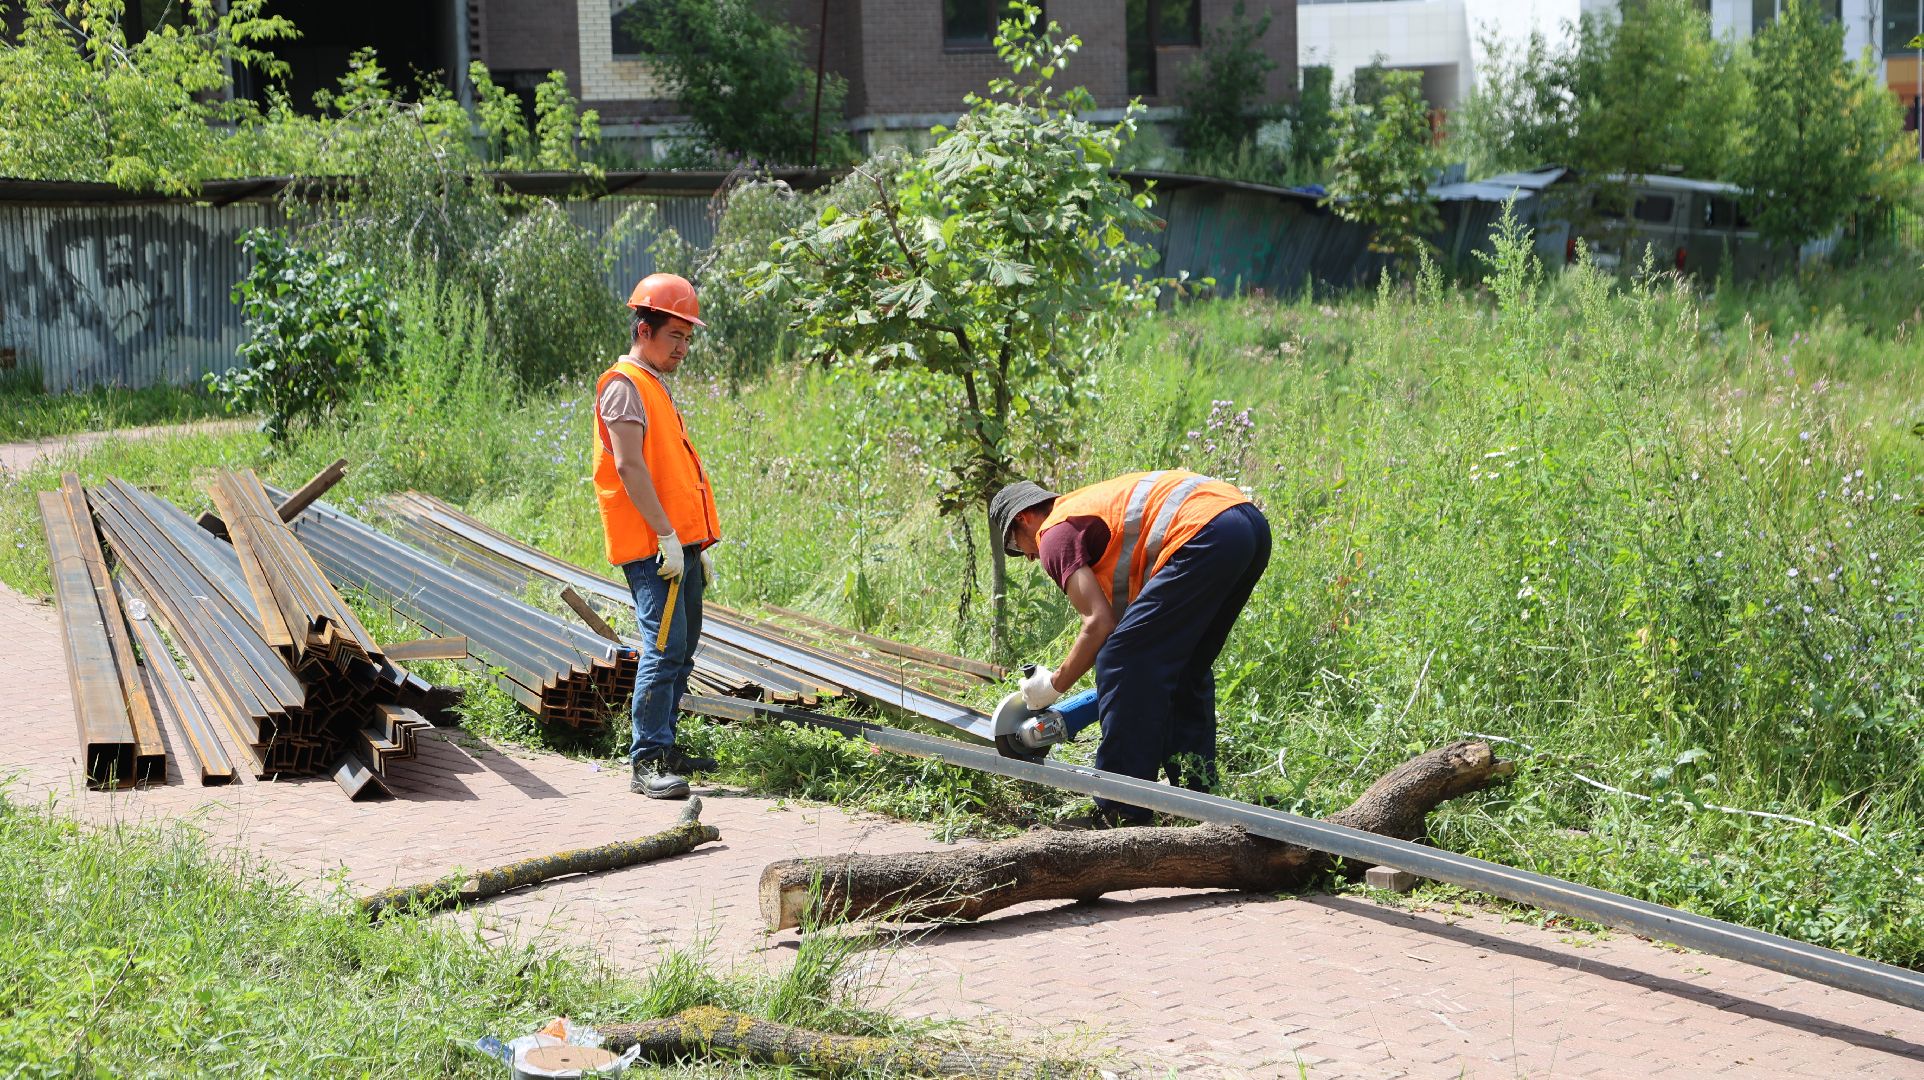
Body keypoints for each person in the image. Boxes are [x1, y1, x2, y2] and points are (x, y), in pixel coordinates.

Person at [990, 470, 1271, 825]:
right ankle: (1196, 802)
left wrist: (1053, 685)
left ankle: (1120, 812)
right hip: (1247, 525)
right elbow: (1126, 628)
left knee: (1121, 660)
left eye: (1017, 546)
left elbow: (1098, 624)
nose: (1028, 557)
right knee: (1183, 668)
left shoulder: (1053, 534)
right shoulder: (1088, 511)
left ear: (1025, 517)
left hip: (1207, 530)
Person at [592, 273, 722, 799]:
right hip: (654, 548)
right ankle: (646, 761)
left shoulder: (653, 384)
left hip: (678, 545)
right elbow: (629, 467)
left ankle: (665, 746)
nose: (683, 348)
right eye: (676, 336)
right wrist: (668, 537)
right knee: (662, 650)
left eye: (689, 339)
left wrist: (693, 544)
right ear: (644, 329)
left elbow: (670, 470)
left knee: (682, 651)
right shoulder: (623, 386)